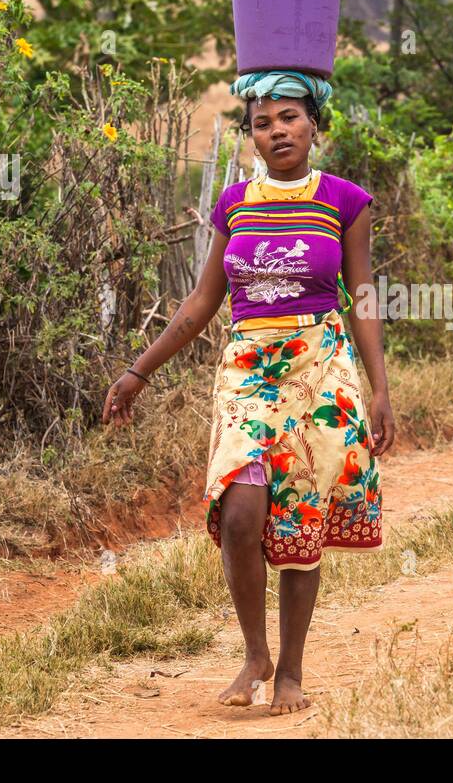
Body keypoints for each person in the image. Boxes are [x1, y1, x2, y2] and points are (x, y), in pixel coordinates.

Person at [101, 69, 395, 716]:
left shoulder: (347, 201)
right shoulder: (234, 205)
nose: (277, 131)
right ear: (252, 137)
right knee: (240, 507)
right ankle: (254, 652)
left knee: (300, 521)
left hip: (320, 367)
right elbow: (205, 300)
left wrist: (379, 387)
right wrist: (138, 371)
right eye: (263, 123)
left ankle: (290, 672)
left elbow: (364, 295)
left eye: (289, 117)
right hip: (249, 369)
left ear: (314, 124)